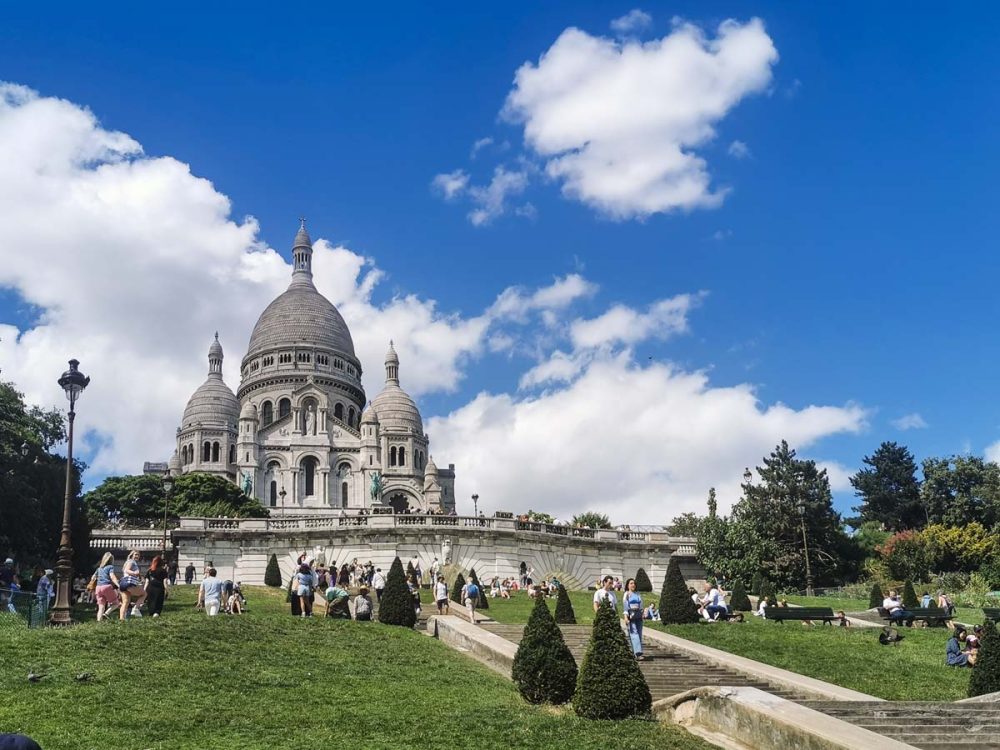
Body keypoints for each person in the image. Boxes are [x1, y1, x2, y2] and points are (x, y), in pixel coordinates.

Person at [119, 550, 147, 619]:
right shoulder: (132, 561)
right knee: (144, 594)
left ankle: (121, 619)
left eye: (138, 555)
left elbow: (125, 571)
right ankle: (135, 608)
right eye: (135, 554)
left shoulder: (127, 562)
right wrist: (135, 573)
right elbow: (127, 570)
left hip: (122, 583)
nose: (137, 556)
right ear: (132, 555)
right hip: (129, 583)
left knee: (125, 602)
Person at [93, 553, 121, 621]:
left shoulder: (99, 568)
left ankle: (99, 622)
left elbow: (93, 578)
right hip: (106, 586)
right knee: (116, 603)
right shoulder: (110, 567)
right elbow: (112, 577)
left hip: (98, 588)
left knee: (101, 607)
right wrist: (118, 585)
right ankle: (106, 613)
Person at [623, 578, 644, 660]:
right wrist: (625, 617)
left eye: (634, 583)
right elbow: (625, 606)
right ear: (628, 585)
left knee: (639, 633)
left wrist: (642, 614)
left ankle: (636, 652)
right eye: (631, 583)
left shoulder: (638, 594)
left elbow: (641, 605)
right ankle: (638, 653)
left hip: (638, 615)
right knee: (634, 633)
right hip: (631, 615)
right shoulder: (626, 594)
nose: (633, 585)